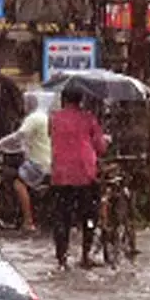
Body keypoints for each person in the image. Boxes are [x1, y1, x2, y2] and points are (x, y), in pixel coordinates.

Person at [45, 92, 106, 269]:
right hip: (85, 175)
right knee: (89, 215)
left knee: (61, 217)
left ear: (63, 100)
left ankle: (62, 259)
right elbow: (100, 147)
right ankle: (86, 255)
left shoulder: (54, 118)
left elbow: (52, 137)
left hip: (60, 175)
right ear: (81, 100)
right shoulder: (89, 118)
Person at [0, 97, 52, 232]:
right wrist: (7, 148)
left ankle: (28, 221)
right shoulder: (44, 117)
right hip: (47, 161)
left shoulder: (33, 118)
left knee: (18, 183)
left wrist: (0, 144)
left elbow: (18, 136)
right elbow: (23, 144)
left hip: (38, 163)